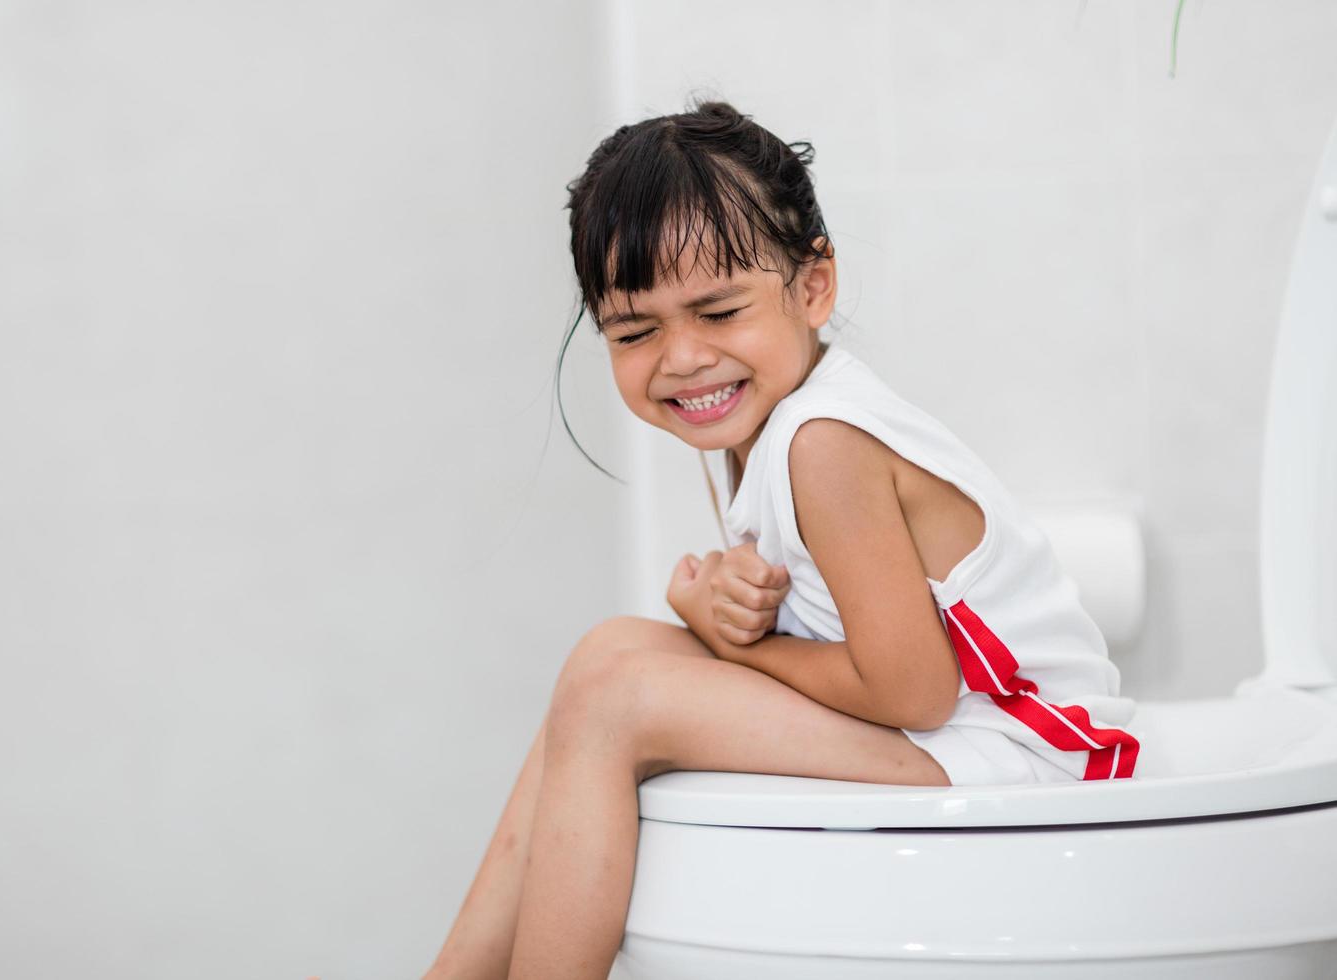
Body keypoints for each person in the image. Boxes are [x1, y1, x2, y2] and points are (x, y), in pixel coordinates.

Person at [424, 98, 1139, 980]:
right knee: (603, 658)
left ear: (813, 287)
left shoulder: (824, 443)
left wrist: (738, 640)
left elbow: (912, 689)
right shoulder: (758, 417)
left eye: (718, 312)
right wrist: (713, 601)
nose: (681, 358)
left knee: (616, 703)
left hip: (1035, 756)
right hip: (963, 739)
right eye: (636, 332)